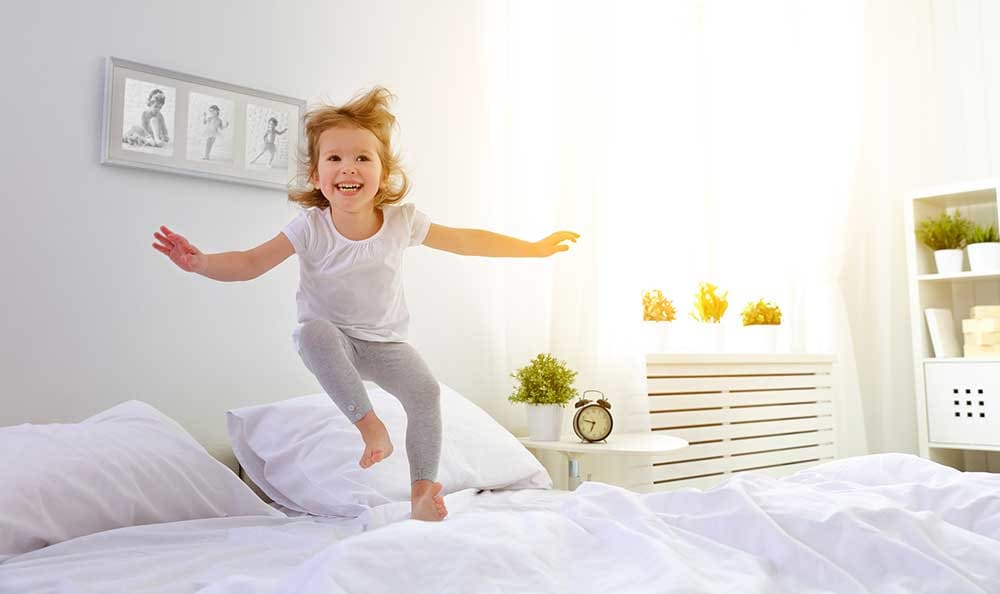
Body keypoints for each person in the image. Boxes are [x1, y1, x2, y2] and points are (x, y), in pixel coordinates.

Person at [151, 86, 579, 522]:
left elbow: (466, 241)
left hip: (386, 345)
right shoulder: (310, 227)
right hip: (332, 343)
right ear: (316, 177)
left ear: (384, 172)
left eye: (362, 157)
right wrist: (200, 262)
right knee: (313, 331)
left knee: (427, 393)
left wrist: (533, 248)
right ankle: (369, 427)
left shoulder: (401, 221)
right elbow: (250, 262)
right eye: (334, 158)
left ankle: (422, 490)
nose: (348, 167)